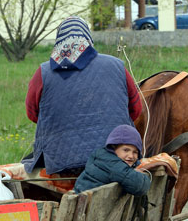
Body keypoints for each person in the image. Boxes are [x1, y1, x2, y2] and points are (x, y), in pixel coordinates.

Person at [23, 16, 142, 175]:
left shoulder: (44, 72)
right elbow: (135, 110)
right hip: (115, 157)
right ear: (88, 40)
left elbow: (32, 114)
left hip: (60, 162)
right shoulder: (116, 65)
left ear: (59, 42)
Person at [73, 125, 151, 196]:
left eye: (135, 152)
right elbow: (138, 186)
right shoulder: (111, 164)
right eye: (126, 150)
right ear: (113, 148)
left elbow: (134, 166)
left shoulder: (113, 160)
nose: (131, 156)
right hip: (86, 207)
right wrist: (143, 176)